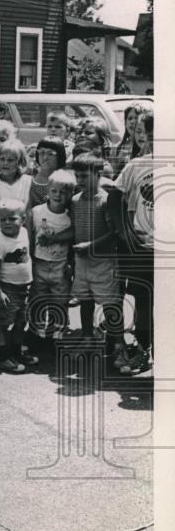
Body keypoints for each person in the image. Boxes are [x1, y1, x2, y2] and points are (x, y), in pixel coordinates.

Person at [112, 110, 154, 374]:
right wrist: (124, 232)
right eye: (151, 135)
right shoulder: (137, 166)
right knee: (144, 301)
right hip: (142, 246)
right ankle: (143, 349)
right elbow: (115, 198)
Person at [70, 153, 123, 361]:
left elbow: (113, 232)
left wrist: (90, 245)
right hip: (82, 262)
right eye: (77, 176)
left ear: (98, 174)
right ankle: (87, 339)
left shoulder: (106, 199)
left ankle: (119, 345)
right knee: (85, 301)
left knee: (110, 304)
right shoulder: (75, 200)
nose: (80, 181)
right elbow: (74, 228)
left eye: (84, 176)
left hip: (103, 262)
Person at [27, 170, 75, 348]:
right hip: (39, 262)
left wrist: (70, 262)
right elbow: (31, 237)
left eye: (63, 192)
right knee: (38, 299)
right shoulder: (37, 211)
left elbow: (73, 238)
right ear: (48, 190)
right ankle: (36, 334)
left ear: (70, 194)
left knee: (60, 301)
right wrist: (30, 258)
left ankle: (57, 336)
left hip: (60, 266)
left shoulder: (70, 216)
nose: (58, 195)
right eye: (54, 191)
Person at [0, 199, 34, 373]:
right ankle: (2, 358)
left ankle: (16, 353)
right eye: (3, 219)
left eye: (12, 218)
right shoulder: (0, 243)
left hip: (25, 288)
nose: (7, 223)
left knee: (21, 322)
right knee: (3, 323)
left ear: (22, 219)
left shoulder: (23, 233)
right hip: (8, 289)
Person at [27, 137, 68, 210]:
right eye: (42, 153)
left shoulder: (65, 181)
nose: (45, 157)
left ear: (60, 155)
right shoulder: (28, 179)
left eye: (50, 154)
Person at [113, 102, 151, 174]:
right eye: (129, 118)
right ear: (125, 122)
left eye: (136, 118)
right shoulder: (120, 147)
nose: (132, 122)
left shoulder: (145, 145)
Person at [0, 139, 32, 209]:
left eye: (10, 160)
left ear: (20, 162)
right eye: (2, 159)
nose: (5, 163)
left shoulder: (29, 182)